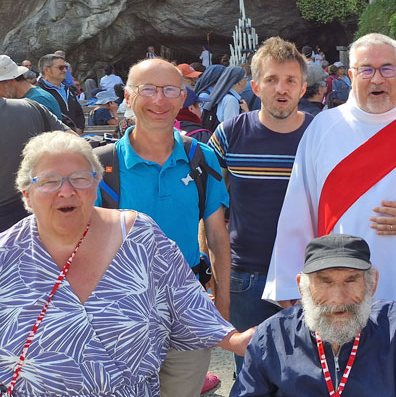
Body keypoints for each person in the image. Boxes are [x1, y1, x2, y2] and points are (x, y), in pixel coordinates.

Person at [264, 33, 396, 366]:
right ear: (350, 75)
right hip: (336, 278)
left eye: (387, 69)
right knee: (342, 369)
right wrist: (290, 280)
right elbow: (298, 207)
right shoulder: (324, 129)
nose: (377, 79)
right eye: (366, 69)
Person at [0, 131, 252, 396]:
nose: (66, 191)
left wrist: (235, 340)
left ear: (96, 185)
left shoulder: (138, 235)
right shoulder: (7, 255)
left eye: (80, 179)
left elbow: (185, 300)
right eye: (50, 181)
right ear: (27, 194)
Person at [96, 59, 232, 395]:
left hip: (188, 304)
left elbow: (216, 235)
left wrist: (222, 310)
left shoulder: (201, 158)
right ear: (128, 97)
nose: (160, 100)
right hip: (120, 310)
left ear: (183, 96)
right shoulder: (100, 165)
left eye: (170, 90)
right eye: (148, 90)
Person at [209, 37, 314, 373]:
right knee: (252, 373)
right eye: (271, 80)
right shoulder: (229, 134)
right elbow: (209, 206)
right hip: (246, 275)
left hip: (305, 274)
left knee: (306, 372)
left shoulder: (319, 134)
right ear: (255, 85)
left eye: (290, 80)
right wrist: (216, 278)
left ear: (303, 87)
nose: (280, 89)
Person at [234, 234, 396, 396]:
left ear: (371, 284)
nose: (338, 298)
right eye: (325, 281)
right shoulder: (272, 338)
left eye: (351, 280)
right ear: (302, 287)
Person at [0, 57, 69, 232]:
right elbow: (72, 143)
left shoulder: (34, 103)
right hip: (23, 208)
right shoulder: (31, 107)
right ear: (9, 81)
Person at [37, 53, 85, 132]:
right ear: (46, 70)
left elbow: (79, 112)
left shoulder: (69, 89)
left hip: (73, 137)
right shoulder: (39, 91)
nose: (65, 70)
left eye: (66, 67)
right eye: (61, 68)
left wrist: (79, 129)